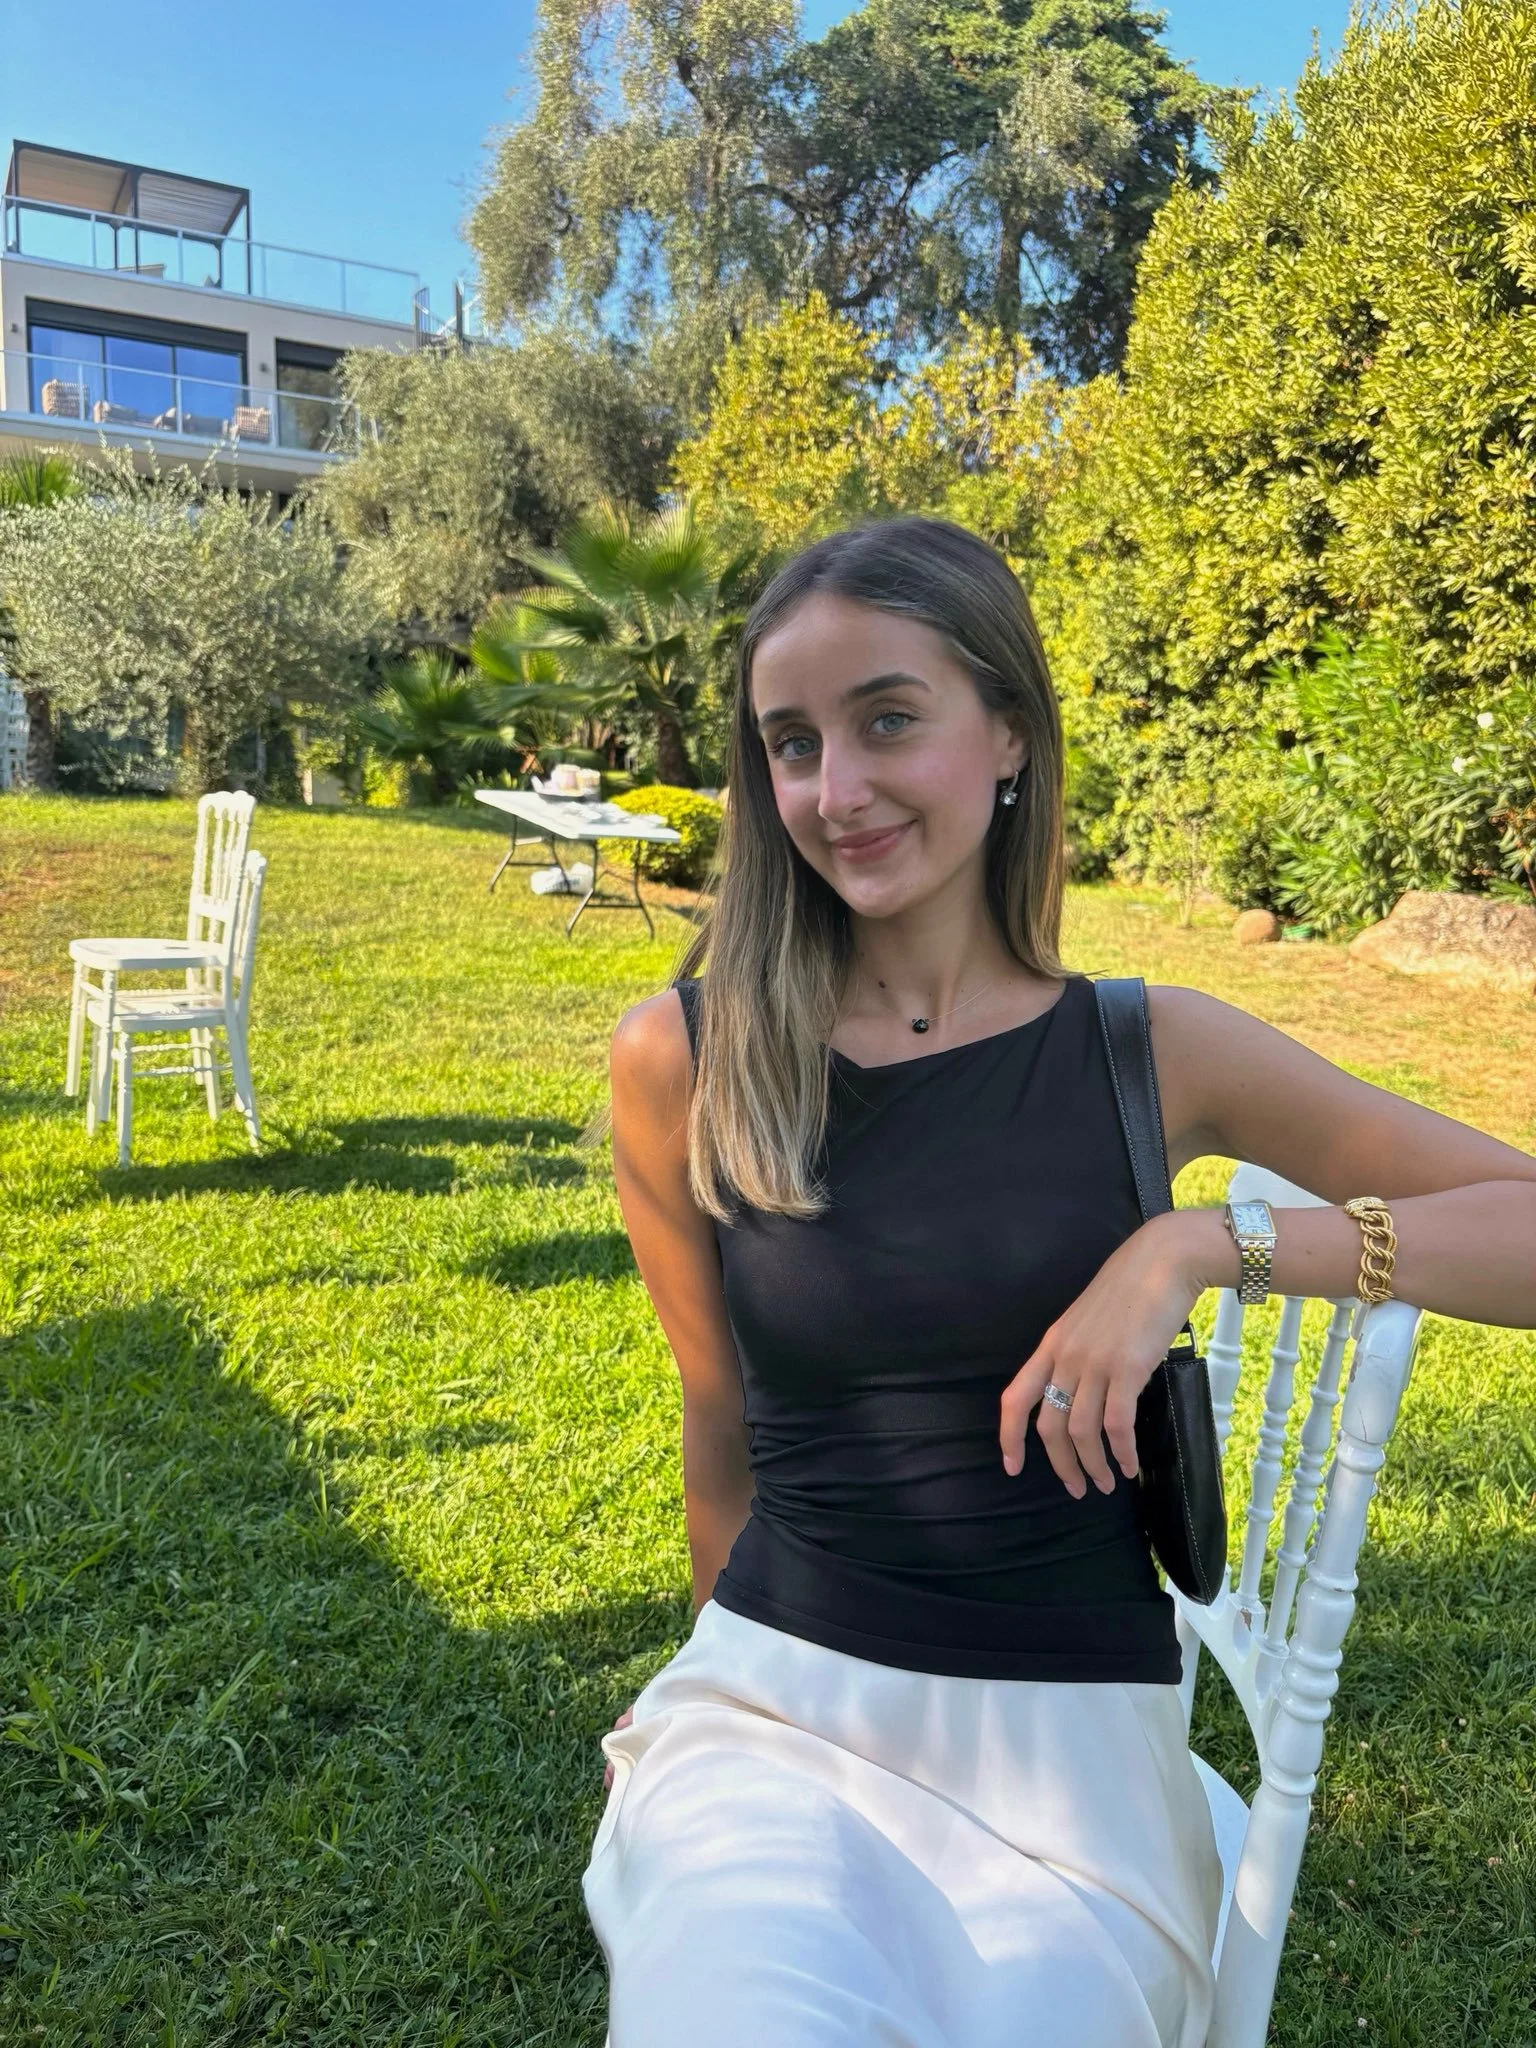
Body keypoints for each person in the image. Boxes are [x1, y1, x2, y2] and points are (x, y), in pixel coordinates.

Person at [581, 517, 1536, 2048]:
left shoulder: (1149, 1051)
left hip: (1070, 1760)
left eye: (889, 720)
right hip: (775, 1715)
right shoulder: (688, 1059)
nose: (836, 789)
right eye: (793, 743)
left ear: (1010, 731)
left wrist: (1199, 1246)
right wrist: (714, 1700)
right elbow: (723, 1430)